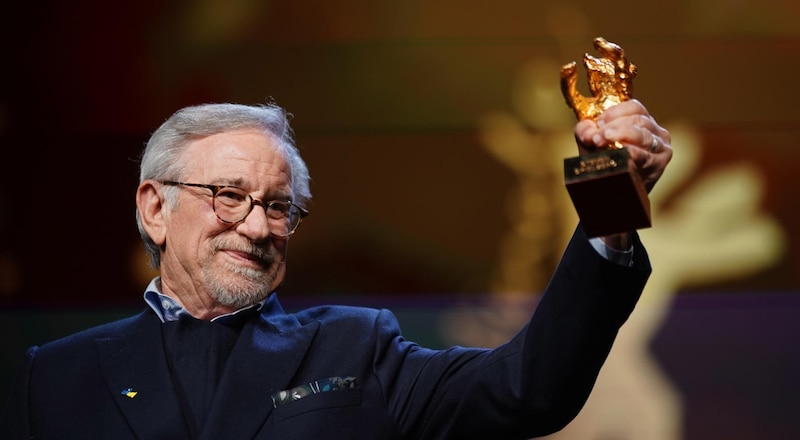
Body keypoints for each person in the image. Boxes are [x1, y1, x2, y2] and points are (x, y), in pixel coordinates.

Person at [0, 99, 671, 439]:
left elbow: (529, 389)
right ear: (155, 208)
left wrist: (609, 212)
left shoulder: (356, 347)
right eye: (230, 196)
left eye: (279, 208)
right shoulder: (57, 375)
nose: (259, 226)